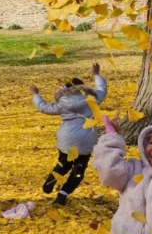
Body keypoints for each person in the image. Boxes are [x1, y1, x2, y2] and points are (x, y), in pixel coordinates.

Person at [30, 62, 108, 206]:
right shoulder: (91, 99)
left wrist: (36, 95)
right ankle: (63, 194)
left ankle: (52, 179)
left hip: (68, 138)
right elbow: (102, 90)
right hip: (86, 137)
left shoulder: (62, 103)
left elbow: (44, 108)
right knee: (79, 167)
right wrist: (96, 74)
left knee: (64, 162)